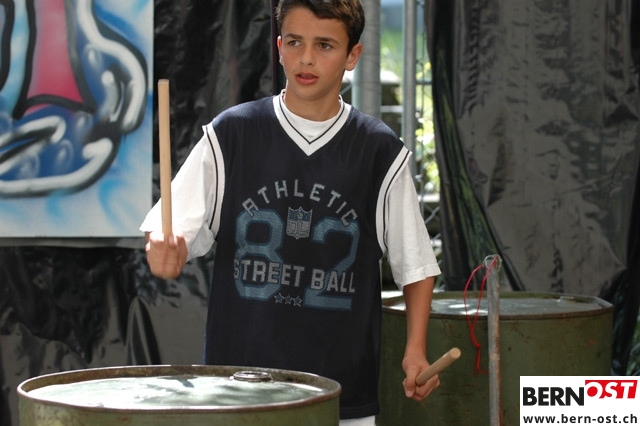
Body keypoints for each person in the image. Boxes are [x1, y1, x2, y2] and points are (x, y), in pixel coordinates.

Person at [140, 0, 441, 424]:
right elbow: (170, 231)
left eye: (325, 45)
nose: (306, 58)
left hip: (340, 394)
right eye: (295, 42)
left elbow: (416, 265)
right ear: (279, 46)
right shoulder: (232, 134)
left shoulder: (379, 151)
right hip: (237, 389)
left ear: (353, 55)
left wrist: (415, 350)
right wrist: (163, 248)